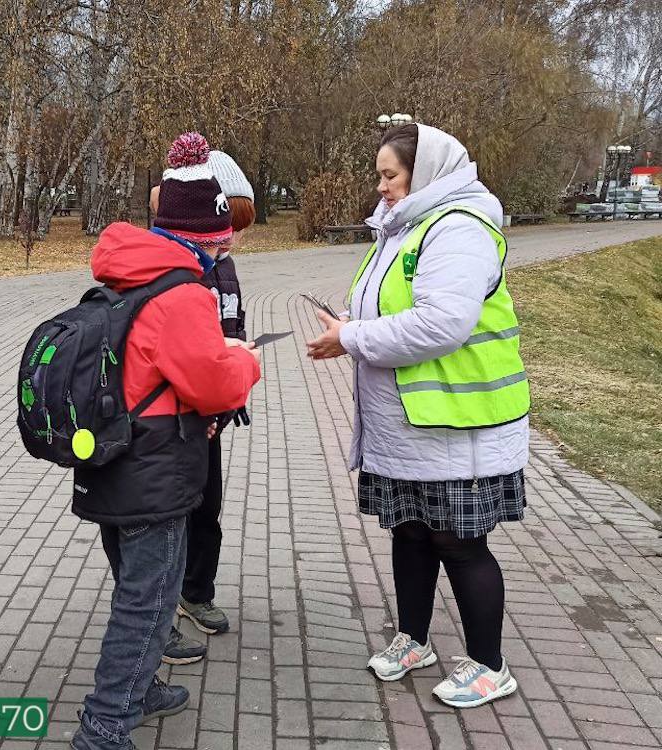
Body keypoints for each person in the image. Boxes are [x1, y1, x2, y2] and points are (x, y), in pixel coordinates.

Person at [307, 123, 529, 709]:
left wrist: (351, 337)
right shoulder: (404, 228)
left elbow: (440, 324)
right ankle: (414, 639)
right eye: (379, 176)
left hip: (459, 423)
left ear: (424, 173)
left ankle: (490, 666)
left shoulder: (458, 228)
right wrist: (351, 326)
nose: (381, 187)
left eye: (391, 175)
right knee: (409, 532)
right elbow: (391, 307)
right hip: (408, 425)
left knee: (459, 543)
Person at [70, 133, 262, 750]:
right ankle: (105, 726)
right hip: (153, 469)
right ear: (199, 238)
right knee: (149, 600)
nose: (224, 249)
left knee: (138, 586)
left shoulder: (127, 277)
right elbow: (212, 384)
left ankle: (141, 686)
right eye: (219, 240)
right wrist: (244, 360)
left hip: (111, 459)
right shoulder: (181, 294)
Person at [175, 150, 256, 641]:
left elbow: (231, 323)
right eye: (227, 227)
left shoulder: (225, 265)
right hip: (177, 416)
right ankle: (157, 605)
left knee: (207, 506)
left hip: (213, 413)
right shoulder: (181, 267)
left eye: (239, 230)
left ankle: (196, 591)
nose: (232, 240)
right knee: (171, 511)